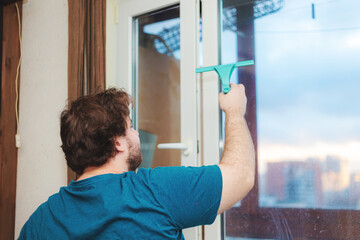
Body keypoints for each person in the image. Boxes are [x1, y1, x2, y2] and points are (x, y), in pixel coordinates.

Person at [19, 83, 255, 239]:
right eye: (131, 127)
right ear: (118, 142)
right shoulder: (154, 190)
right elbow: (241, 176)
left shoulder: (41, 220)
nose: (137, 133)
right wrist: (234, 111)